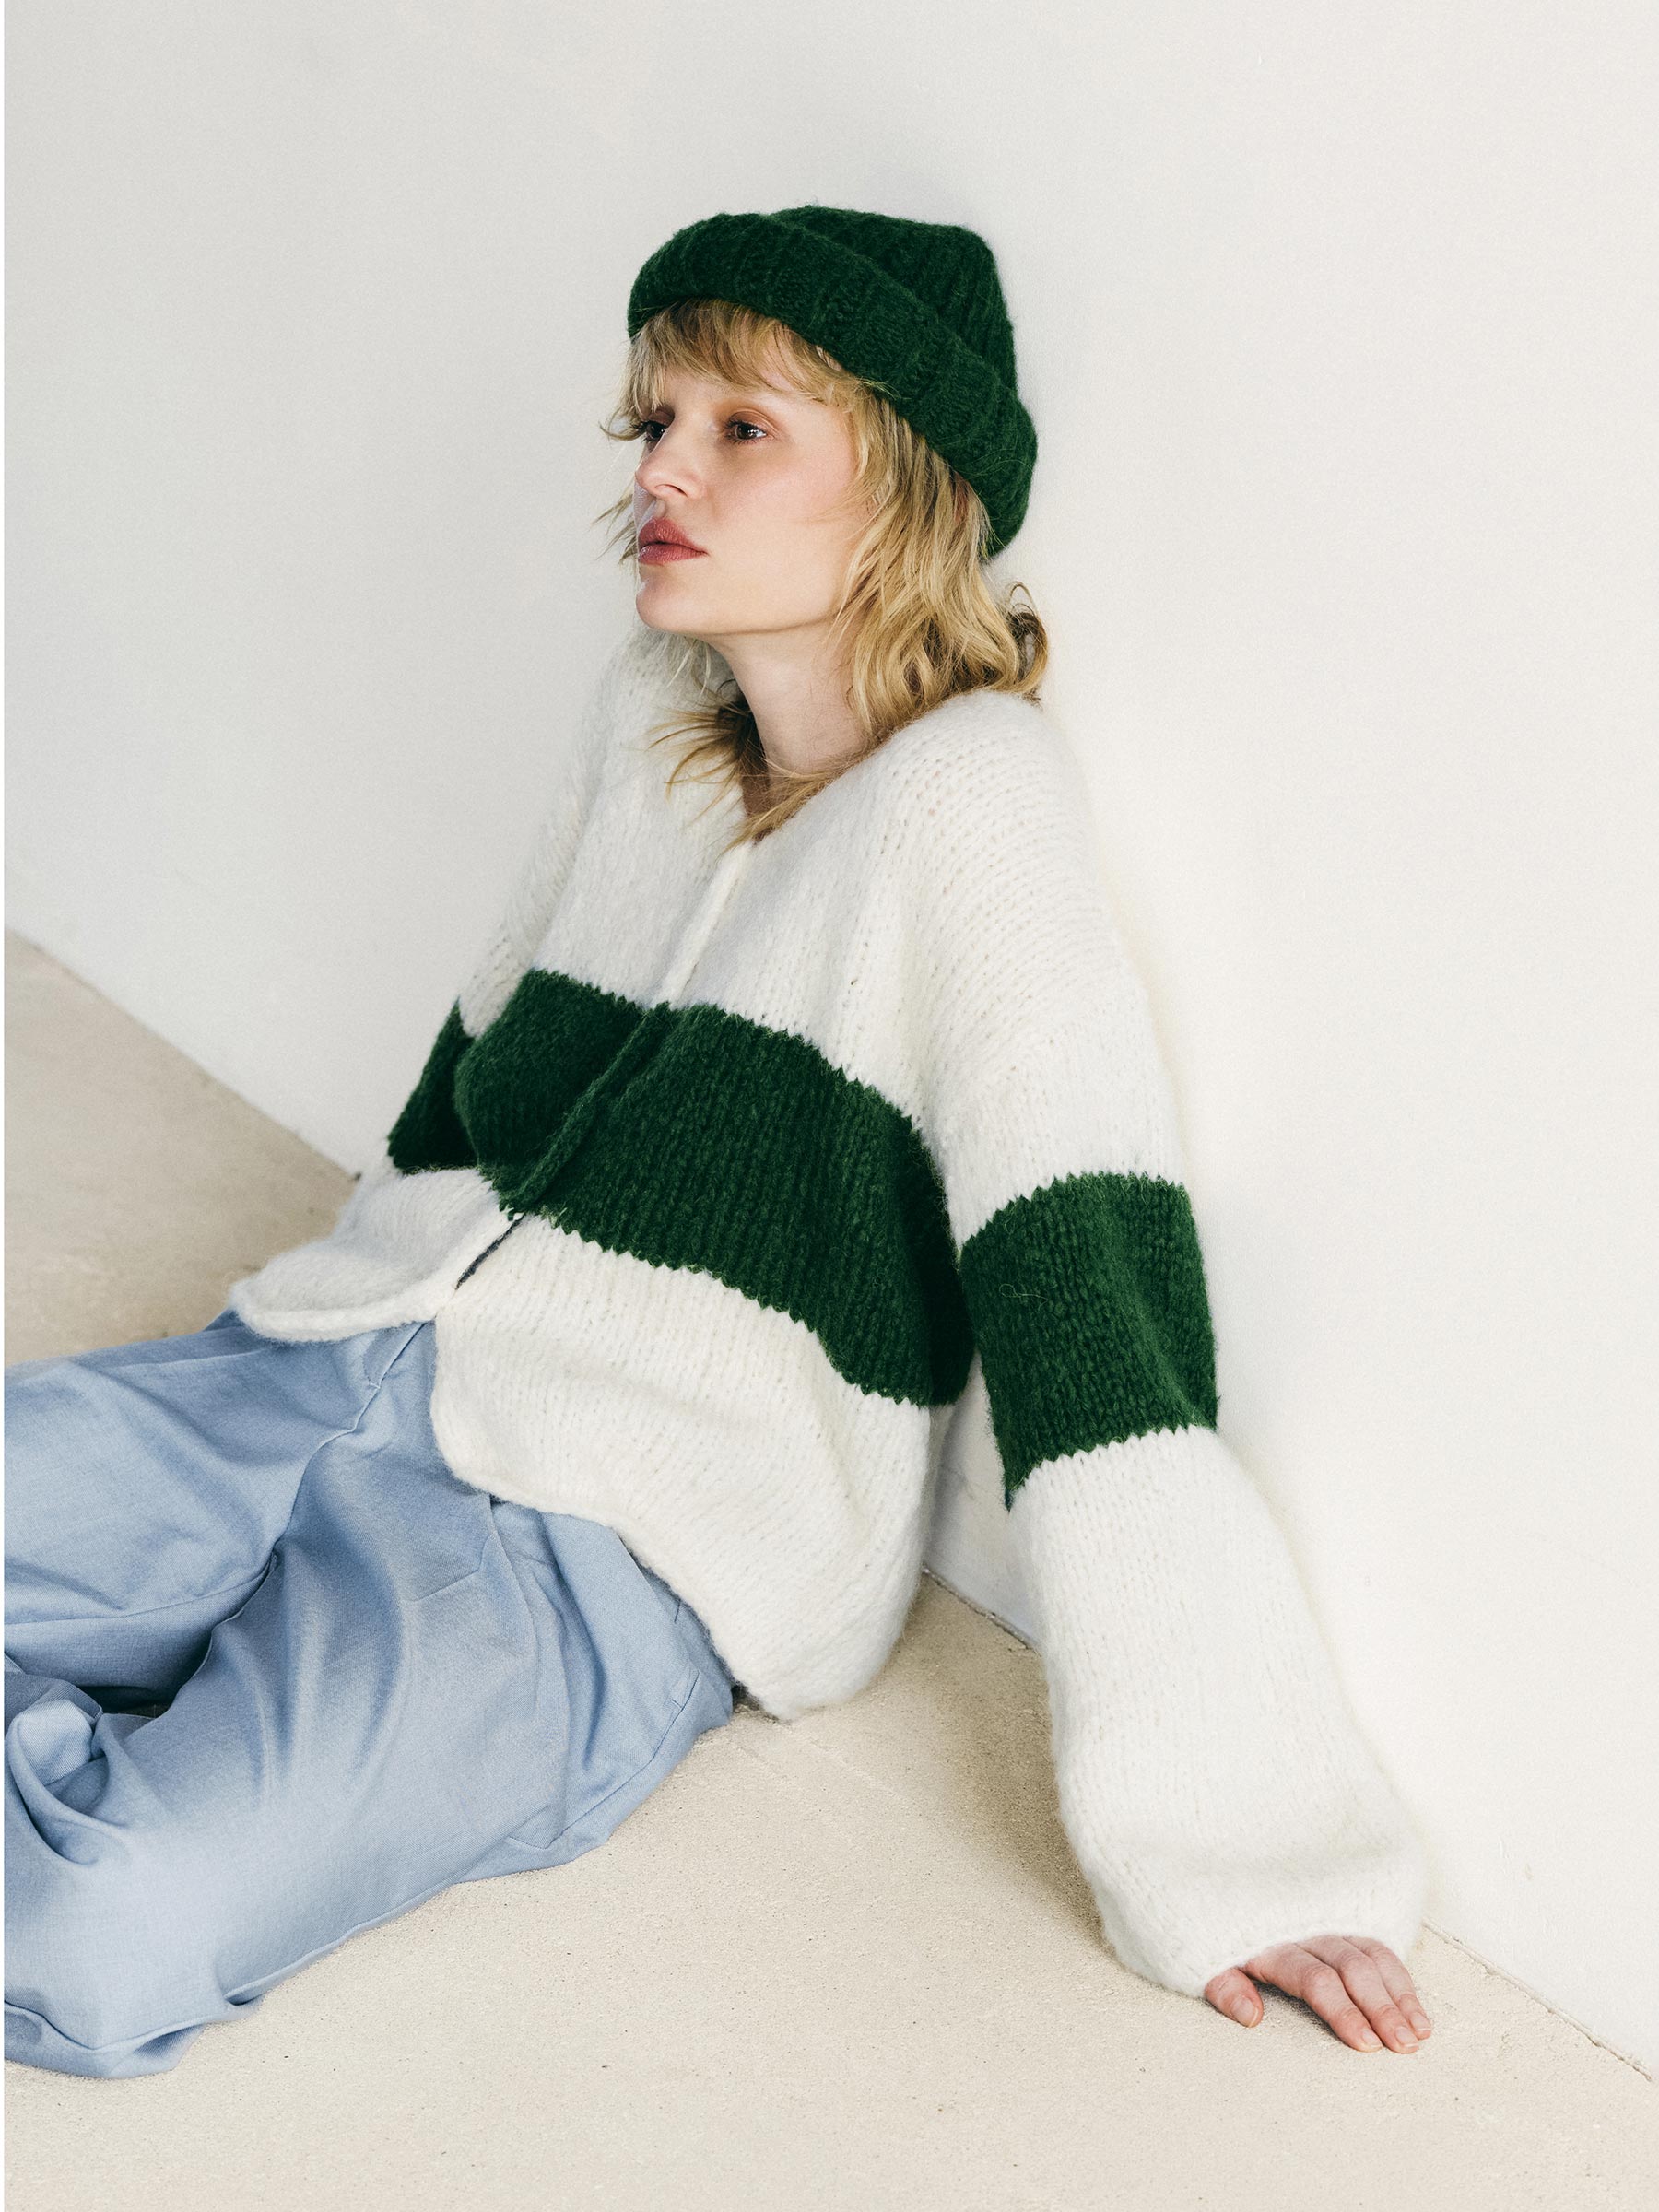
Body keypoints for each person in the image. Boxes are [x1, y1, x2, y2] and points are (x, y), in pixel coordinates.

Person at [5, 204, 1433, 2079]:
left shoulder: (974, 811)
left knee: (106, 1928)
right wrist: (340, 1294)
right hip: (323, 1370)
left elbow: (1097, 1319)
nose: (662, 470)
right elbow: (479, 1062)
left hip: (591, 1549)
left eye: (742, 428)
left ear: (907, 484)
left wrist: (1243, 1839)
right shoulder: (650, 719)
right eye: (657, 422)